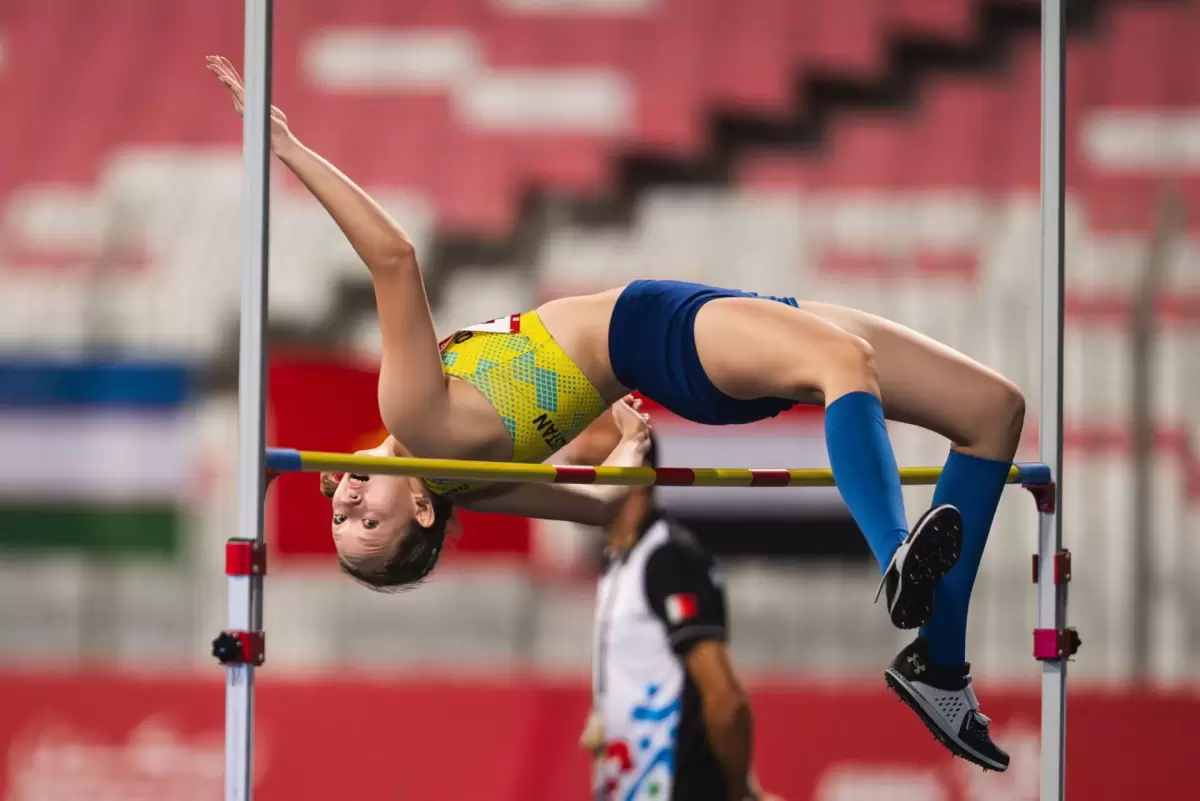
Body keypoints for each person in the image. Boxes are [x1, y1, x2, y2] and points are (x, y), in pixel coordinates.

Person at [209, 55, 1024, 771]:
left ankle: (939, 667)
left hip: (693, 329)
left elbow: (605, 503)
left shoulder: (476, 483)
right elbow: (395, 257)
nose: (348, 502)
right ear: (420, 508)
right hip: (655, 335)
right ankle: (894, 556)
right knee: (844, 363)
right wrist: (287, 147)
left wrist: (630, 444)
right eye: (368, 524)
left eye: (342, 516)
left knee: (992, 411)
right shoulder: (414, 419)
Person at [570, 417, 782, 801]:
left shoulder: (668, 557)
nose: (576, 482)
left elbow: (725, 700)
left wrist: (738, 793)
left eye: (589, 465)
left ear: (636, 466)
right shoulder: (617, 562)